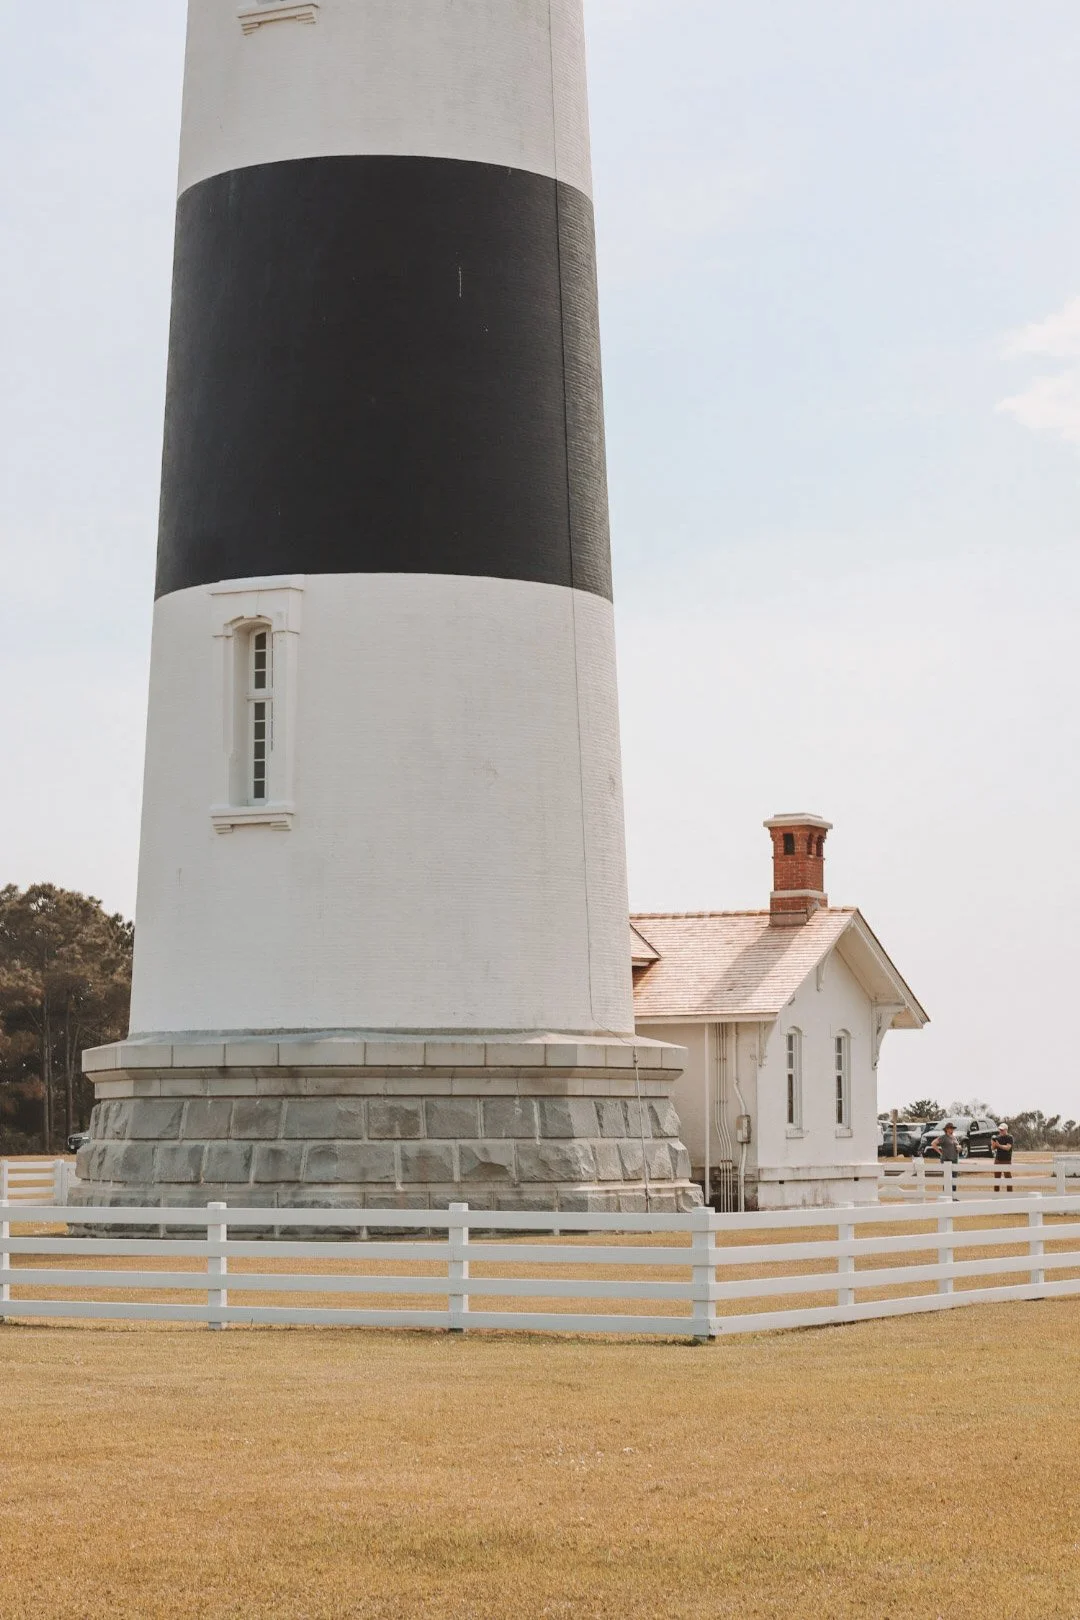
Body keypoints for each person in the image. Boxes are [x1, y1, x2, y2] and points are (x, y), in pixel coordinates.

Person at [929, 1122, 963, 1197]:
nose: (952, 1130)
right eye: (950, 1128)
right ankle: (946, 1196)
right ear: (947, 1129)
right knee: (947, 1179)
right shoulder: (943, 1137)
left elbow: (957, 1147)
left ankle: (954, 1196)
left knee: (954, 1178)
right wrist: (940, 1152)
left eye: (952, 1128)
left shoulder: (954, 1137)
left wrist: (959, 1149)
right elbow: (933, 1143)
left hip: (954, 1159)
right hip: (947, 1159)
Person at [991, 1121, 1014, 1193]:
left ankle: (1009, 1195)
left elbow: (1008, 1148)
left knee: (1008, 1178)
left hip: (1006, 1160)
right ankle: (996, 1195)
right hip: (998, 1160)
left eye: (1002, 1130)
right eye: (1000, 1129)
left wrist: (999, 1145)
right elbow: (993, 1148)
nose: (1000, 1131)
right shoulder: (997, 1137)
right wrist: (993, 1143)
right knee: (997, 1179)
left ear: (1006, 1130)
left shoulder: (1010, 1137)